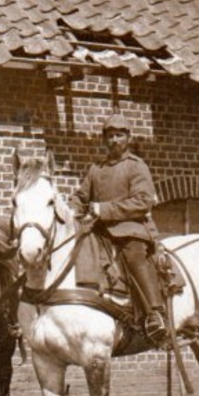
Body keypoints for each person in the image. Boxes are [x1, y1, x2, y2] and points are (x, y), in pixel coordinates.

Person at [75, 113, 167, 344]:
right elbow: (80, 196)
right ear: (104, 140)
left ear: (128, 138)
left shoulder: (135, 166)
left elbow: (143, 201)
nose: (114, 140)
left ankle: (154, 313)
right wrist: (70, 211)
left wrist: (103, 210)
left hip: (130, 228)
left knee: (134, 256)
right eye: (110, 136)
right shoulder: (96, 169)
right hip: (99, 230)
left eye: (119, 135)